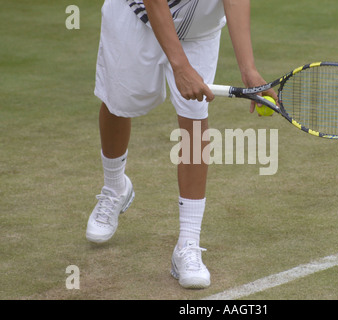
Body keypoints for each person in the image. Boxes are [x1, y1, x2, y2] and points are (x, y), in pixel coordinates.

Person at [86, 0, 277, 289]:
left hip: (199, 29)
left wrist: (248, 69)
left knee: (194, 119)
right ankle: (115, 187)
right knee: (117, 103)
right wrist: (180, 65)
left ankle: (188, 243)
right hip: (134, 15)